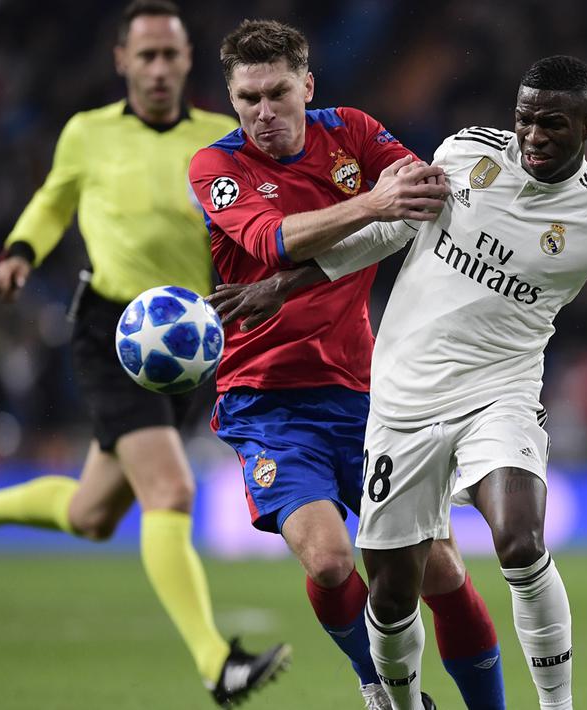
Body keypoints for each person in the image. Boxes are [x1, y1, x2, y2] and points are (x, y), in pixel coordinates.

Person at [212, 55, 587, 710]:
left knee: (519, 540)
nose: (533, 136)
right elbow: (389, 229)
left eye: (552, 124)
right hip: (401, 400)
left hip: (500, 396)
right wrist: (284, 285)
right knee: (393, 593)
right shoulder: (463, 153)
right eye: (524, 120)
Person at [0, 2, 289, 706]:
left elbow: (250, 224)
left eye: (171, 55)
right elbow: (52, 200)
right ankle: (218, 664)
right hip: (111, 332)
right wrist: (19, 252)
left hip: (193, 344)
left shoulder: (221, 138)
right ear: (122, 60)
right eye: (146, 55)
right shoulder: (87, 134)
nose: (158, 68)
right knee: (171, 490)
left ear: (189, 62)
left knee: (94, 514)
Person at [188, 20, 505, 710]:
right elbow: (271, 243)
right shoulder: (215, 168)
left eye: (276, 93)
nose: (263, 114)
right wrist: (370, 202)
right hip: (265, 399)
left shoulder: (354, 134)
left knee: (440, 571)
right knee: (330, 561)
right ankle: (384, 687)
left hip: (369, 394)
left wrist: (393, 198)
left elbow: (424, 191)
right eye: (247, 99)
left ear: (307, 85)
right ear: (231, 98)